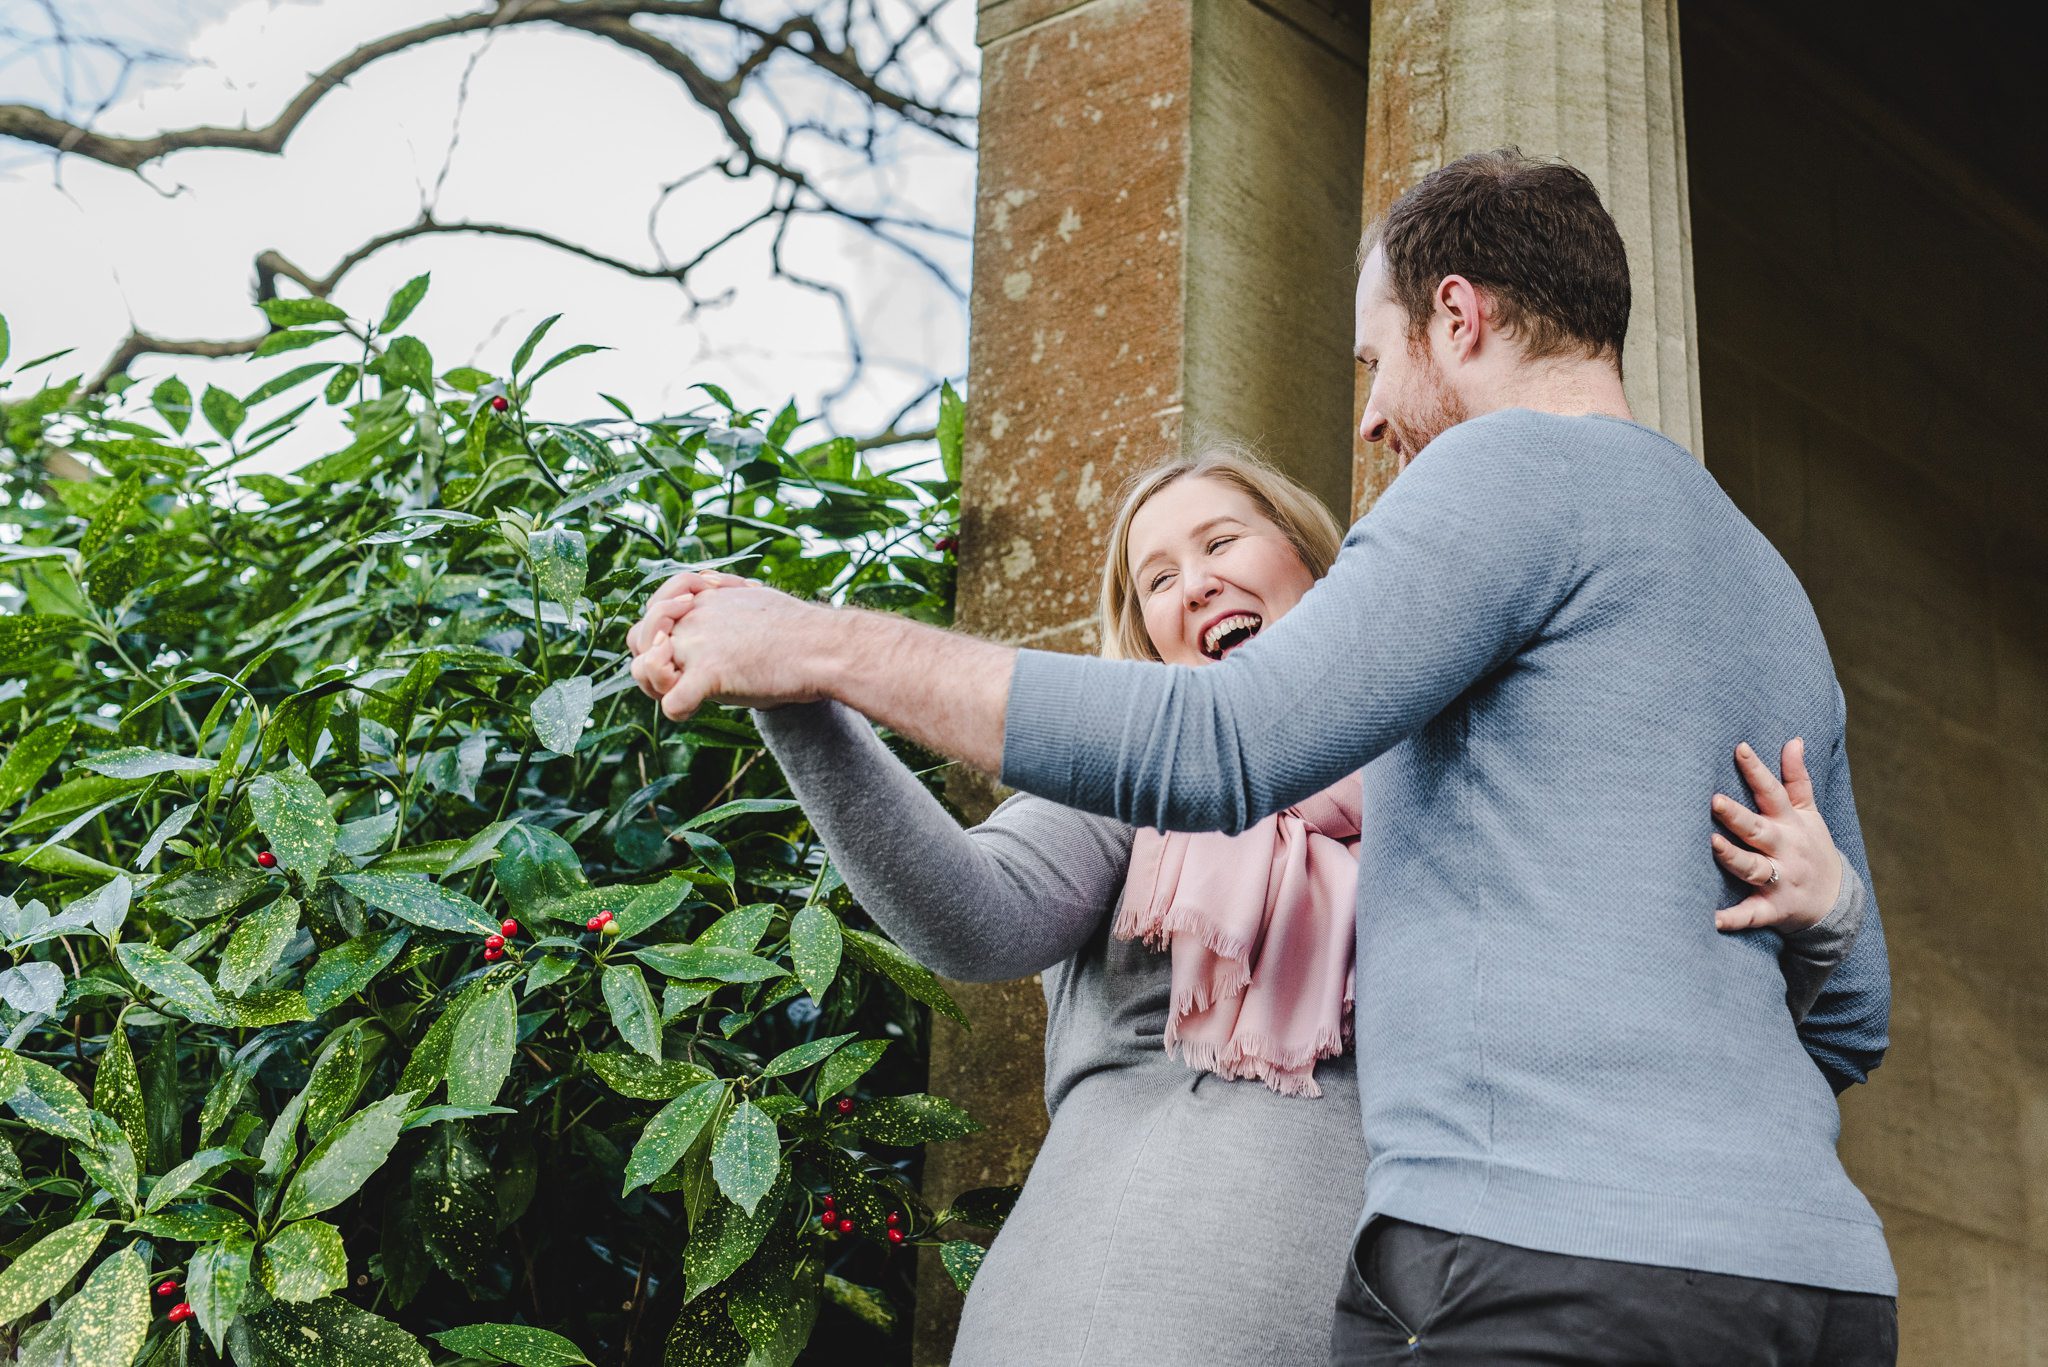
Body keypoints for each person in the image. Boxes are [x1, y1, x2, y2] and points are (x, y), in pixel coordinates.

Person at [630, 149, 1899, 1362]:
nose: (1370, 420)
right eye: (1155, 575)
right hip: (1811, 1275)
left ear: (1454, 316)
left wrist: (816, 645)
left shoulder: (1497, 474)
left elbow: (1223, 743)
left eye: (1372, 360)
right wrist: (1833, 902)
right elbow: (1848, 1020)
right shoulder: (1766, 593)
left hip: (1548, 1266)